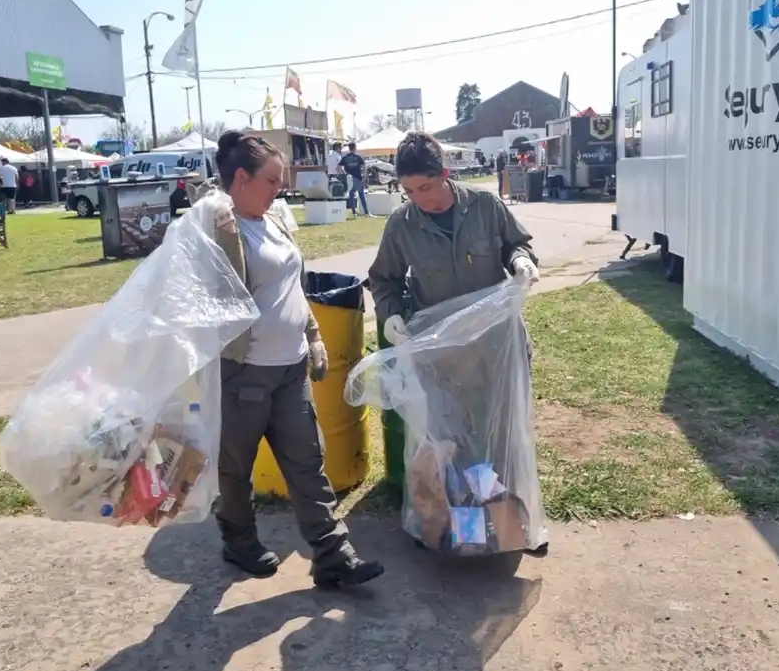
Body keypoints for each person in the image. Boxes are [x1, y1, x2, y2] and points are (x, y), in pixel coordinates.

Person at [207, 130, 384, 587]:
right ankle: (239, 542)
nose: (278, 190)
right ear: (241, 178)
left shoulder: (272, 220)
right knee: (236, 468)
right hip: (244, 374)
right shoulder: (216, 230)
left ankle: (332, 555)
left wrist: (313, 335)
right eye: (270, 181)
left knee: (308, 462)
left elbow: (292, 287)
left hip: (291, 369)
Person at [367, 131, 540, 346]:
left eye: (425, 188)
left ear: (444, 174)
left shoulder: (484, 205)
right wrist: (391, 314)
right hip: (439, 346)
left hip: (496, 337)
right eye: (409, 191)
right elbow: (384, 280)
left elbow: (516, 244)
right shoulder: (402, 224)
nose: (418, 198)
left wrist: (520, 260)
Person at [339, 142, 370, 216]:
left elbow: (338, 167)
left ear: (349, 148)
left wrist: (344, 173)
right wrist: (364, 177)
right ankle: (366, 212)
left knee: (351, 195)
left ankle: (354, 212)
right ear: (355, 148)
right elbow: (364, 167)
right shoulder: (358, 157)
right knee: (361, 195)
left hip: (349, 178)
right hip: (358, 178)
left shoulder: (345, 158)